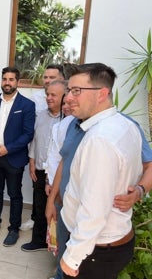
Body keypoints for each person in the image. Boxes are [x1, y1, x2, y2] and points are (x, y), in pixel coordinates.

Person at [46, 69, 152, 279]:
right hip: (77, 223)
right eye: (69, 91)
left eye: (76, 91)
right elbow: (64, 162)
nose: (68, 98)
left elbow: (94, 209)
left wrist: (72, 258)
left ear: (102, 94)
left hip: (93, 244)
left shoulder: (101, 138)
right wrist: (53, 200)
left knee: (66, 266)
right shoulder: (78, 125)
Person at [0, 66, 35, 247]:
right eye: (5, 79)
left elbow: (28, 134)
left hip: (13, 157)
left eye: (11, 79)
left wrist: (8, 148)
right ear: (1, 81)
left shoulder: (27, 105)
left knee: (14, 194)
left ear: (17, 82)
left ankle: (13, 228)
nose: (7, 82)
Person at [20, 80, 65, 252]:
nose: (49, 98)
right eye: (48, 94)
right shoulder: (41, 116)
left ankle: (56, 244)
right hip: (38, 170)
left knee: (57, 209)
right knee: (39, 207)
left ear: (64, 97)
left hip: (56, 175)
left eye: (54, 95)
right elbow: (35, 140)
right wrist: (31, 161)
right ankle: (38, 240)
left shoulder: (67, 120)